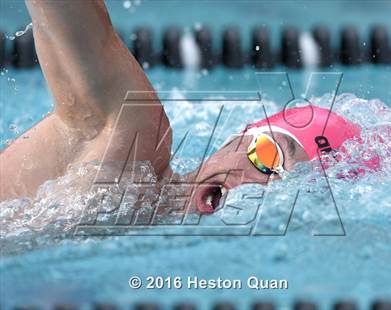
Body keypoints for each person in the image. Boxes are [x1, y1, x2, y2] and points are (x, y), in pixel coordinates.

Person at [0, 1, 367, 215]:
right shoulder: (134, 137)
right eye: (267, 155)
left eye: (287, 190)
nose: (260, 185)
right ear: (234, 141)